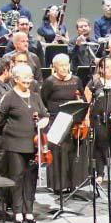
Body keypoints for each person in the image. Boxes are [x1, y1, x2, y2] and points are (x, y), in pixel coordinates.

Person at [0, 62, 45, 223]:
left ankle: (29, 211)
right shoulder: (9, 97)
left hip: (32, 144)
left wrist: (43, 122)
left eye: (30, 78)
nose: (28, 81)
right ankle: (18, 211)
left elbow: (45, 114)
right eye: (24, 78)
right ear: (16, 79)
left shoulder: (35, 96)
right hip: (14, 143)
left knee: (31, 178)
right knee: (17, 177)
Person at [41, 53, 86, 198]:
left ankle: (73, 183)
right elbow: (43, 100)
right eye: (61, 65)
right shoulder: (50, 82)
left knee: (72, 151)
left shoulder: (76, 80)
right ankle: (58, 186)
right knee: (58, 153)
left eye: (66, 65)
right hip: (56, 121)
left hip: (73, 121)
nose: (65, 68)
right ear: (54, 67)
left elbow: (83, 99)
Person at [87, 57, 111, 186]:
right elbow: (86, 101)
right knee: (99, 146)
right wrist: (86, 117)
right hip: (98, 119)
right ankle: (100, 173)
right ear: (101, 69)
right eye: (106, 67)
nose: (110, 70)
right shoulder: (94, 82)